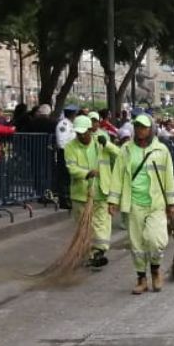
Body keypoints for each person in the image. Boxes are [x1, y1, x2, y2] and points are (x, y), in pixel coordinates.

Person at [108, 114, 174, 294]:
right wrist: (113, 201)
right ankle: (141, 279)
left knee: (155, 240)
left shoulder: (162, 150)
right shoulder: (126, 150)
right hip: (134, 203)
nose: (140, 130)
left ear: (151, 129)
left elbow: (169, 178)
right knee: (137, 245)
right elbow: (117, 176)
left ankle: (155, 270)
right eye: (137, 126)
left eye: (144, 127)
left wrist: (171, 203)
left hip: (156, 204)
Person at [64, 115, 119, 268]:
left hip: (102, 191)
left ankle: (99, 251)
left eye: (84, 132)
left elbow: (121, 156)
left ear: (90, 130)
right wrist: (87, 173)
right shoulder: (70, 147)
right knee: (85, 226)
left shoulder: (101, 143)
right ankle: (87, 253)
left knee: (102, 224)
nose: (81, 136)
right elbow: (72, 168)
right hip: (81, 194)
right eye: (78, 133)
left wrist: (107, 144)